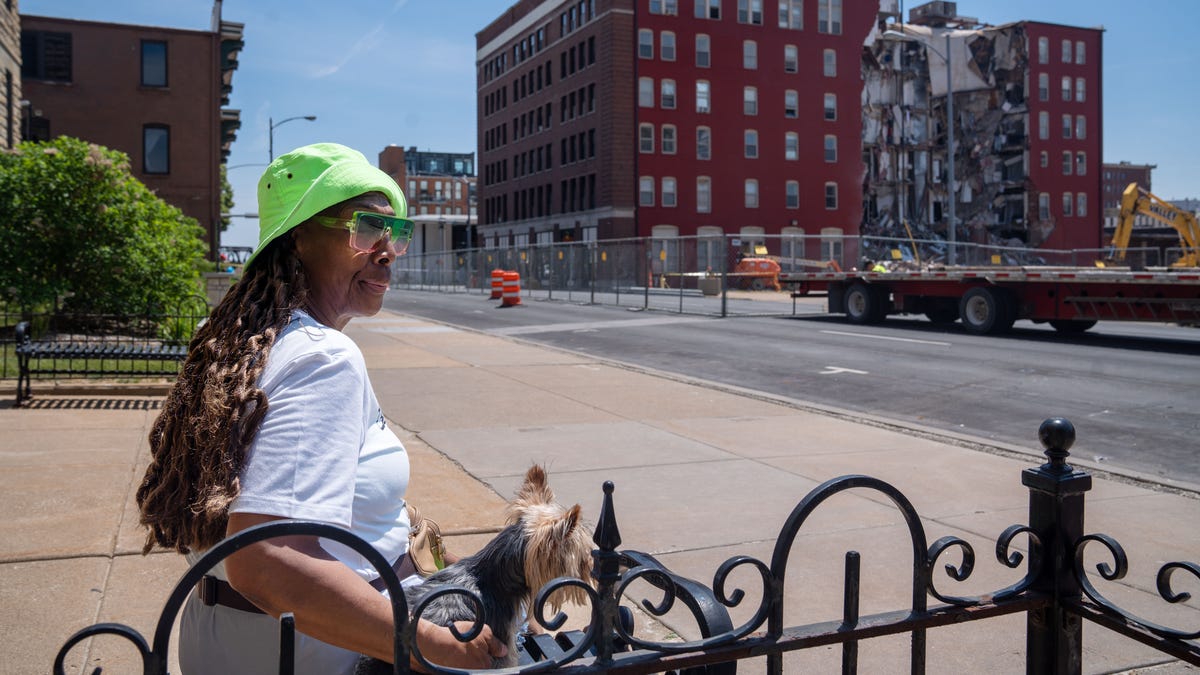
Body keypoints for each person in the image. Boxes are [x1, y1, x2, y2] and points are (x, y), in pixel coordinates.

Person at [135, 143, 506, 674]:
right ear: (297, 237)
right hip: (316, 651)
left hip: (232, 638)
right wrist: (429, 644)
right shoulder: (322, 357)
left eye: (395, 232)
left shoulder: (236, 341)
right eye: (367, 229)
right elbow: (269, 562)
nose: (388, 250)